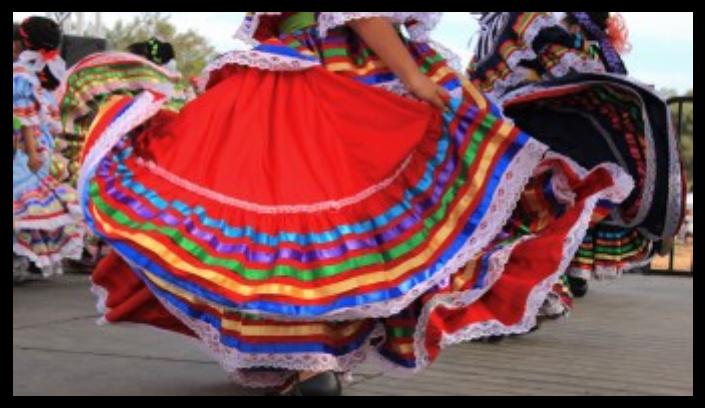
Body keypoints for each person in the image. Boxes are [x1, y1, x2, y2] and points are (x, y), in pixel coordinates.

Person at [80, 12, 632, 395]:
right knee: (361, 226)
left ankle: (303, 360)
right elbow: (364, 15)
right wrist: (415, 78)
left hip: (286, 72)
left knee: (291, 224)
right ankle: (311, 361)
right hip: (343, 73)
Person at [466, 12, 686, 299]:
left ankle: (536, 279)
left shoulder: (503, 25)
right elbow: (566, 64)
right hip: (529, 127)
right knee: (554, 200)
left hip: (503, 127)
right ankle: (535, 280)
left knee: (534, 204)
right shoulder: (529, 23)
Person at [13, 16, 84, 281]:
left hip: (25, 149)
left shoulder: (22, 74)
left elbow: (23, 118)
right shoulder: (46, 73)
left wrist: (31, 153)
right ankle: (25, 260)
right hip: (41, 148)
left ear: (20, 44)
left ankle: (21, 261)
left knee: (23, 207)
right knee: (31, 207)